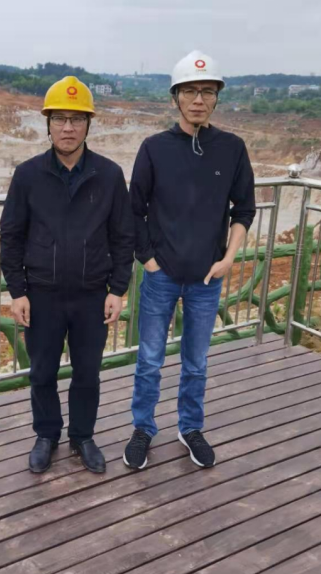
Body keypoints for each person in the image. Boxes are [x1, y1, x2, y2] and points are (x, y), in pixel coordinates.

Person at [124, 50, 256, 470]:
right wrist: (148, 261)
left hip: (207, 278)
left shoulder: (232, 149)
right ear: (175, 97)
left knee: (196, 362)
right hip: (160, 276)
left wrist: (228, 259)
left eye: (207, 91)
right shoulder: (154, 148)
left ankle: (190, 427)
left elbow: (244, 209)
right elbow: (134, 210)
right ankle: (143, 428)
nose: (198, 99)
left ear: (216, 97)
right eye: (189, 91)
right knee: (149, 360)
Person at [0, 76, 134, 474]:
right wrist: (17, 291)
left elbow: (123, 236)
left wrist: (117, 289)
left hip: (92, 295)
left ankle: (83, 436)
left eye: (77, 119)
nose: (68, 128)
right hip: (42, 295)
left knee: (87, 373)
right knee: (42, 371)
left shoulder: (109, 175)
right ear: (48, 124)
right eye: (59, 118)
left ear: (88, 124)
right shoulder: (28, 175)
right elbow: (11, 236)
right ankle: (46, 435)